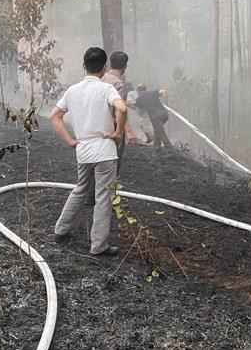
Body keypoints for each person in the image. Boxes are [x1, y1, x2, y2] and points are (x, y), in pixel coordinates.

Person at [49, 47, 127, 255]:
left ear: (84, 66)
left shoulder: (72, 91)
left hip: (83, 150)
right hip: (105, 151)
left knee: (81, 188)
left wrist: (69, 140)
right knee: (103, 197)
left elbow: (54, 116)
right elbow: (122, 108)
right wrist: (119, 132)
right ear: (105, 67)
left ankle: (61, 229)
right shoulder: (106, 89)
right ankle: (98, 246)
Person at [101, 51, 137, 174]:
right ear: (124, 67)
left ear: (110, 63)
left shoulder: (100, 78)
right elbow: (119, 110)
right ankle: (110, 189)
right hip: (113, 127)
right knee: (113, 162)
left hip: (96, 124)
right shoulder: (118, 84)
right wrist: (128, 132)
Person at [134, 84, 173, 149]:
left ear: (138, 91)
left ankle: (171, 150)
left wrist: (134, 104)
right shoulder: (152, 93)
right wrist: (166, 104)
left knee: (162, 134)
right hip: (164, 114)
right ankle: (156, 146)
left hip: (155, 117)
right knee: (156, 130)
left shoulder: (138, 99)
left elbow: (141, 112)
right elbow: (164, 92)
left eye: (137, 92)